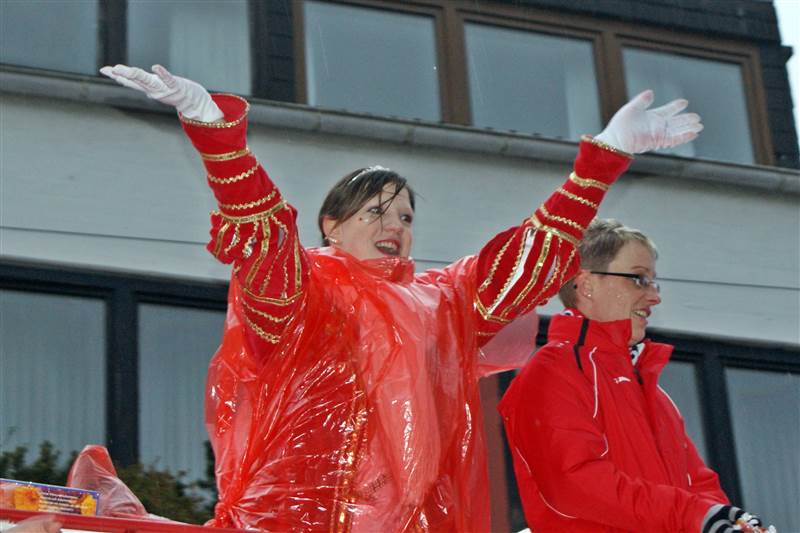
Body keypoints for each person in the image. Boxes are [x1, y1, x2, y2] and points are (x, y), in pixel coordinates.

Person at [100, 63, 702, 532]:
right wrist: (215, 134)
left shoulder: (439, 302)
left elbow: (529, 258)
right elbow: (262, 240)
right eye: (376, 211)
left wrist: (600, 161)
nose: (395, 225)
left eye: (406, 215)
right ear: (331, 225)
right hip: (295, 516)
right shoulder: (305, 289)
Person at [499, 219, 774, 533]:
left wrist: (727, 521)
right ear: (586, 285)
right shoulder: (553, 372)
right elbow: (574, 484)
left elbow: (698, 485)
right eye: (638, 279)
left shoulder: (653, 392)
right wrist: (697, 515)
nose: (654, 297)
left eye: (653, 282)